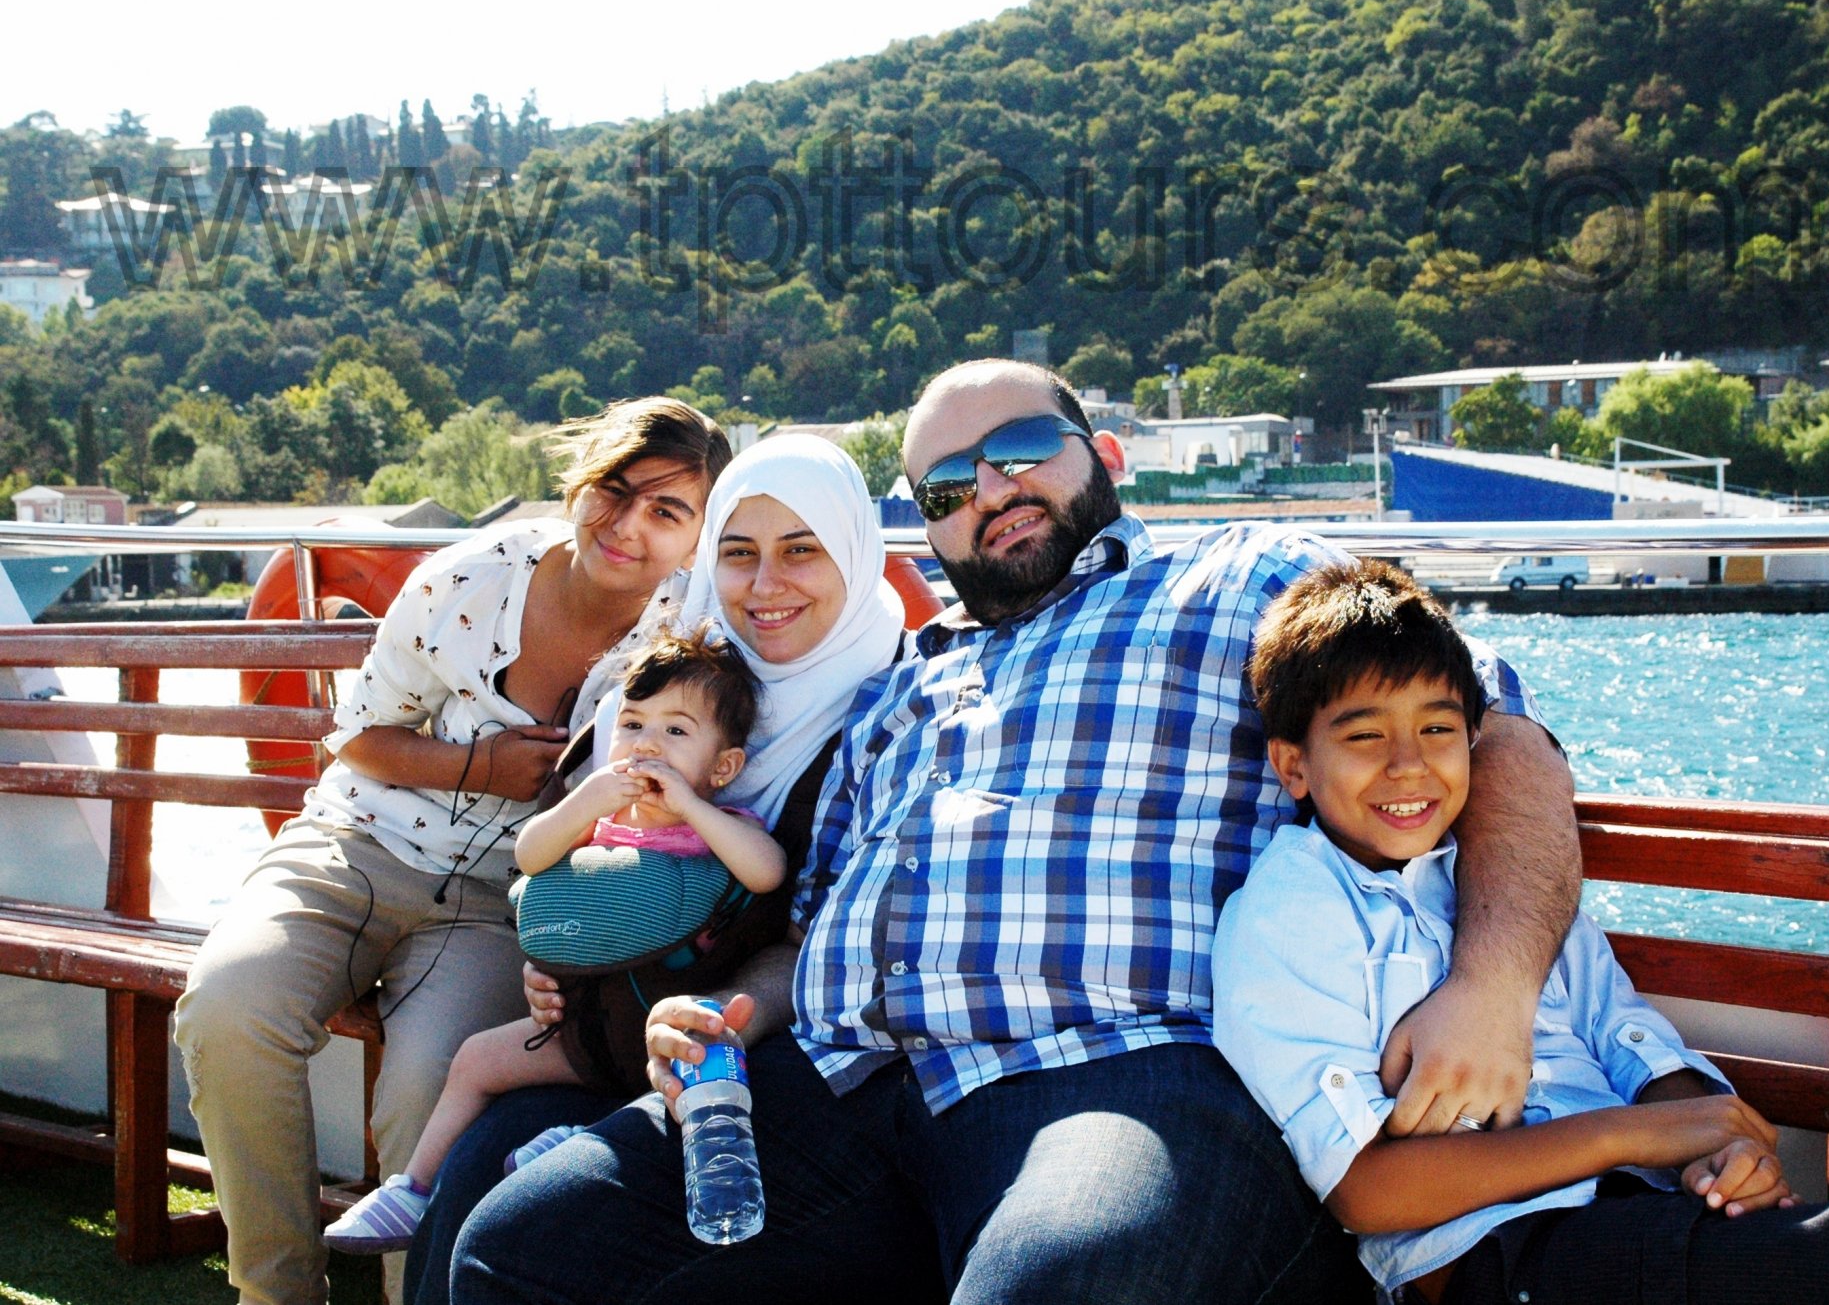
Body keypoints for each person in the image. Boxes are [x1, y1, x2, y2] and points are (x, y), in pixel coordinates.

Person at [439, 358, 1584, 1304]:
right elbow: (812, 923)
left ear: (1107, 456)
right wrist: (735, 1013)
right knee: (524, 1247)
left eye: (1023, 445)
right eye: (944, 482)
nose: (989, 485)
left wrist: (1494, 984)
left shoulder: (1247, 578)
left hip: (1118, 1072)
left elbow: (1502, 737)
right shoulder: (906, 683)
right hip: (848, 1083)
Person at [1213, 558, 1829, 1303]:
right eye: (1364, 736)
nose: (1409, 764)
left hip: (1644, 1213)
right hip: (1501, 1254)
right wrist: (1641, 1135)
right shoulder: (1290, 910)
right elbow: (1366, 1193)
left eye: (1437, 728)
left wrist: (1718, 1146)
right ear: (1293, 764)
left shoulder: (1505, 894)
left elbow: (1622, 1034)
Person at [173, 396, 732, 1305]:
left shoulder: (683, 636)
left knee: (428, 1084)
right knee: (228, 1012)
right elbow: (355, 734)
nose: (628, 525)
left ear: (699, 534)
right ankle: (277, 1291)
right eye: (614, 489)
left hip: (495, 901)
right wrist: (482, 763)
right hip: (357, 843)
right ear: (579, 480)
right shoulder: (466, 581)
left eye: (667, 511)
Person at [403, 432, 905, 1304]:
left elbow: (817, 933)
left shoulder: (895, 708)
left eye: (802, 551)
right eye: (739, 553)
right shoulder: (675, 687)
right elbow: (565, 849)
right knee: (480, 1160)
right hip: (608, 1029)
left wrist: (713, 1020)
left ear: (856, 555)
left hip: (748, 1057)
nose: (765, 584)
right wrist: (565, 947)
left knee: (550, 1222)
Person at [321, 631, 784, 1255]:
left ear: (723, 767)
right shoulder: (596, 824)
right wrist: (586, 801)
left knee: (667, 1086)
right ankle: (412, 1187)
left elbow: (766, 872)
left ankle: (578, 1137)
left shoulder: (721, 831)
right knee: (477, 1059)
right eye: (632, 724)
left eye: (676, 732)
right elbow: (531, 855)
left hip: (659, 1037)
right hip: (577, 1029)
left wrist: (693, 810)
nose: (646, 743)